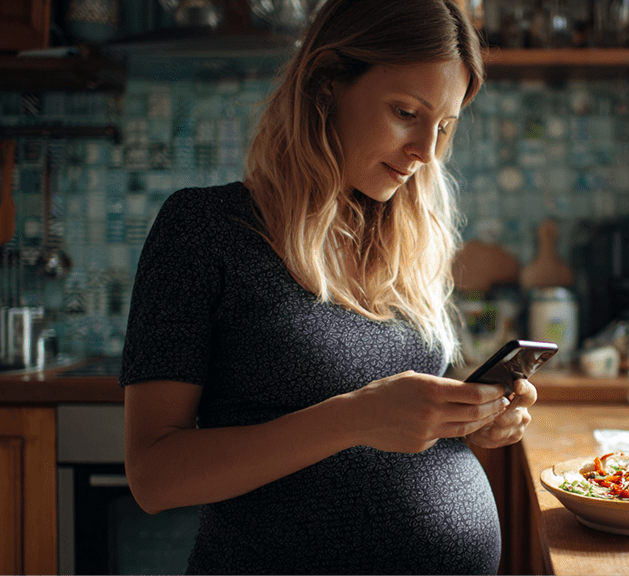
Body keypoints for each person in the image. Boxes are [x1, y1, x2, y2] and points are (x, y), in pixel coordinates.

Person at [119, 1, 537, 574]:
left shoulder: (405, 242)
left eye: (443, 126)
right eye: (406, 113)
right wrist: (354, 418)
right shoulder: (204, 230)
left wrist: (471, 420)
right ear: (326, 83)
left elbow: (400, 426)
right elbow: (153, 476)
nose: (426, 152)